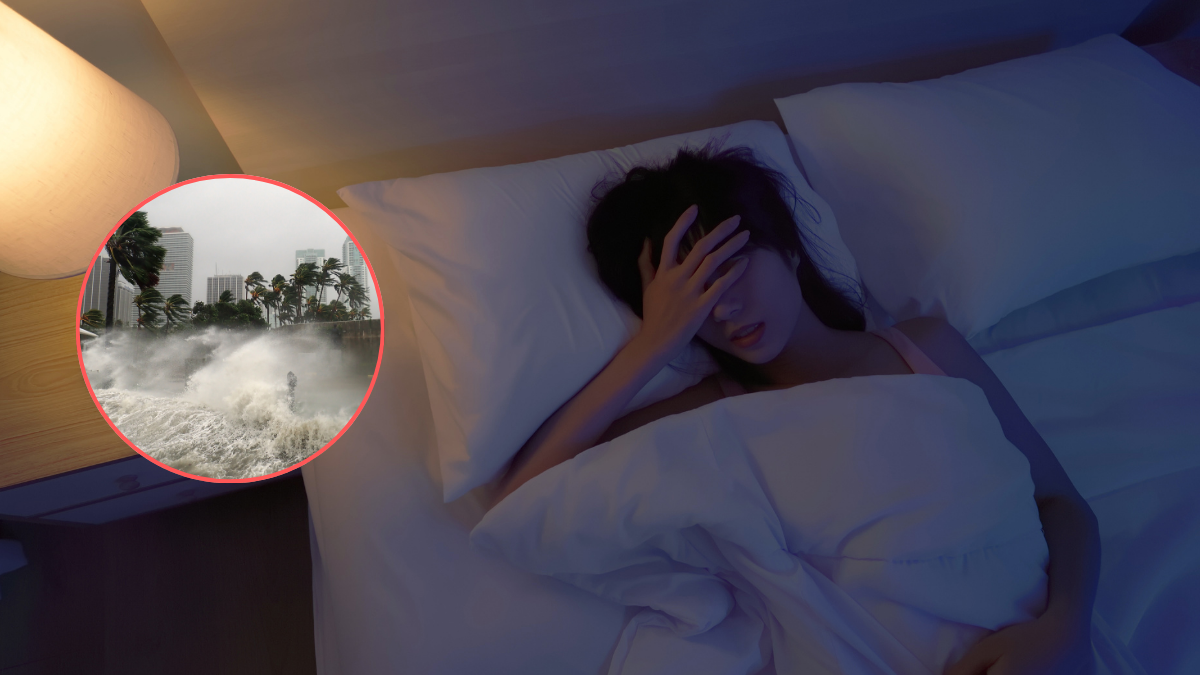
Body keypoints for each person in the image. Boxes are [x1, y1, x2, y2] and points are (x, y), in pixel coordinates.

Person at [491, 142, 1100, 675]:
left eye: (730, 267)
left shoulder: (927, 350)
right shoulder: (715, 416)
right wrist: (654, 345)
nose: (724, 310)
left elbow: (1061, 503)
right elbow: (527, 501)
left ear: (787, 247)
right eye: (693, 297)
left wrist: (1065, 629)